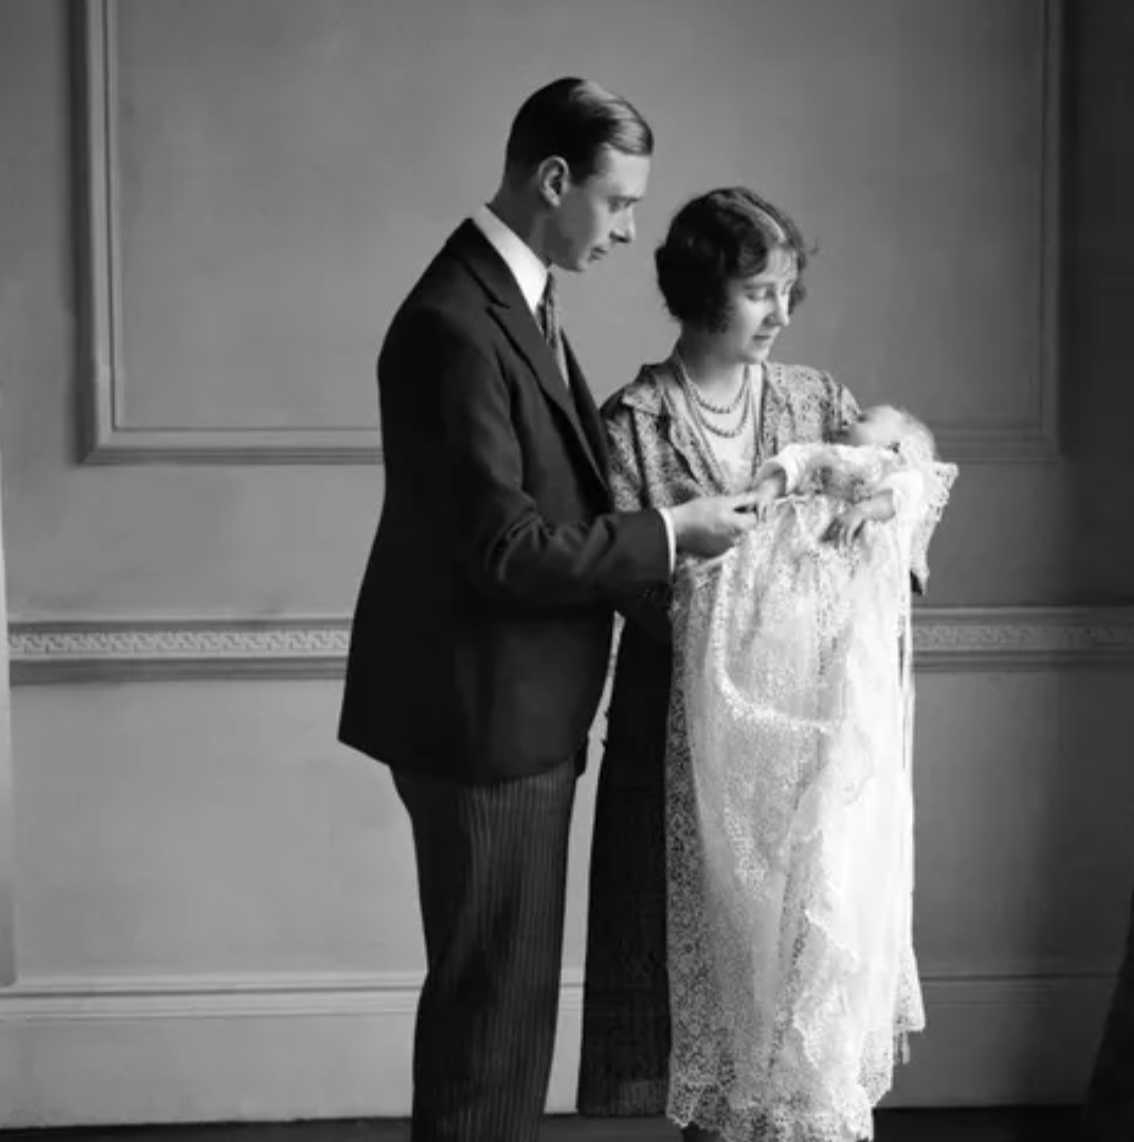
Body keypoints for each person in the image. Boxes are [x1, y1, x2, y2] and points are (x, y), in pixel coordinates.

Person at [338, 80, 758, 1142]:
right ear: (554, 178)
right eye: (618, 205)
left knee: (506, 1004)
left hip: (513, 710)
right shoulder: (454, 322)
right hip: (484, 718)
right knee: (492, 1013)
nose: (628, 231)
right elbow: (505, 549)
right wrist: (671, 533)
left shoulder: (510, 299)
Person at [577, 187, 950, 1140]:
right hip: (679, 732)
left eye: (789, 291)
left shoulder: (813, 399)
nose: (781, 314)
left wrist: (880, 507)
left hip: (810, 739)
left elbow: (898, 472)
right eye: (758, 293)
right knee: (702, 988)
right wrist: (753, 572)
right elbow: (635, 584)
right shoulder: (634, 423)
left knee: (800, 989)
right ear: (703, 291)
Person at [669, 405, 957, 1142]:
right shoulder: (821, 449)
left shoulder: (892, 470)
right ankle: (768, 1088)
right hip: (787, 638)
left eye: (877, 418)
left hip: (843, 661)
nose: (857, 413)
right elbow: (788, 464)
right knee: (770, 866)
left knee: (833, 864)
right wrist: (771, 490)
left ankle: (814, 1094)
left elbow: (916, 488)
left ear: (894, 442)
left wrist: (873, 507)